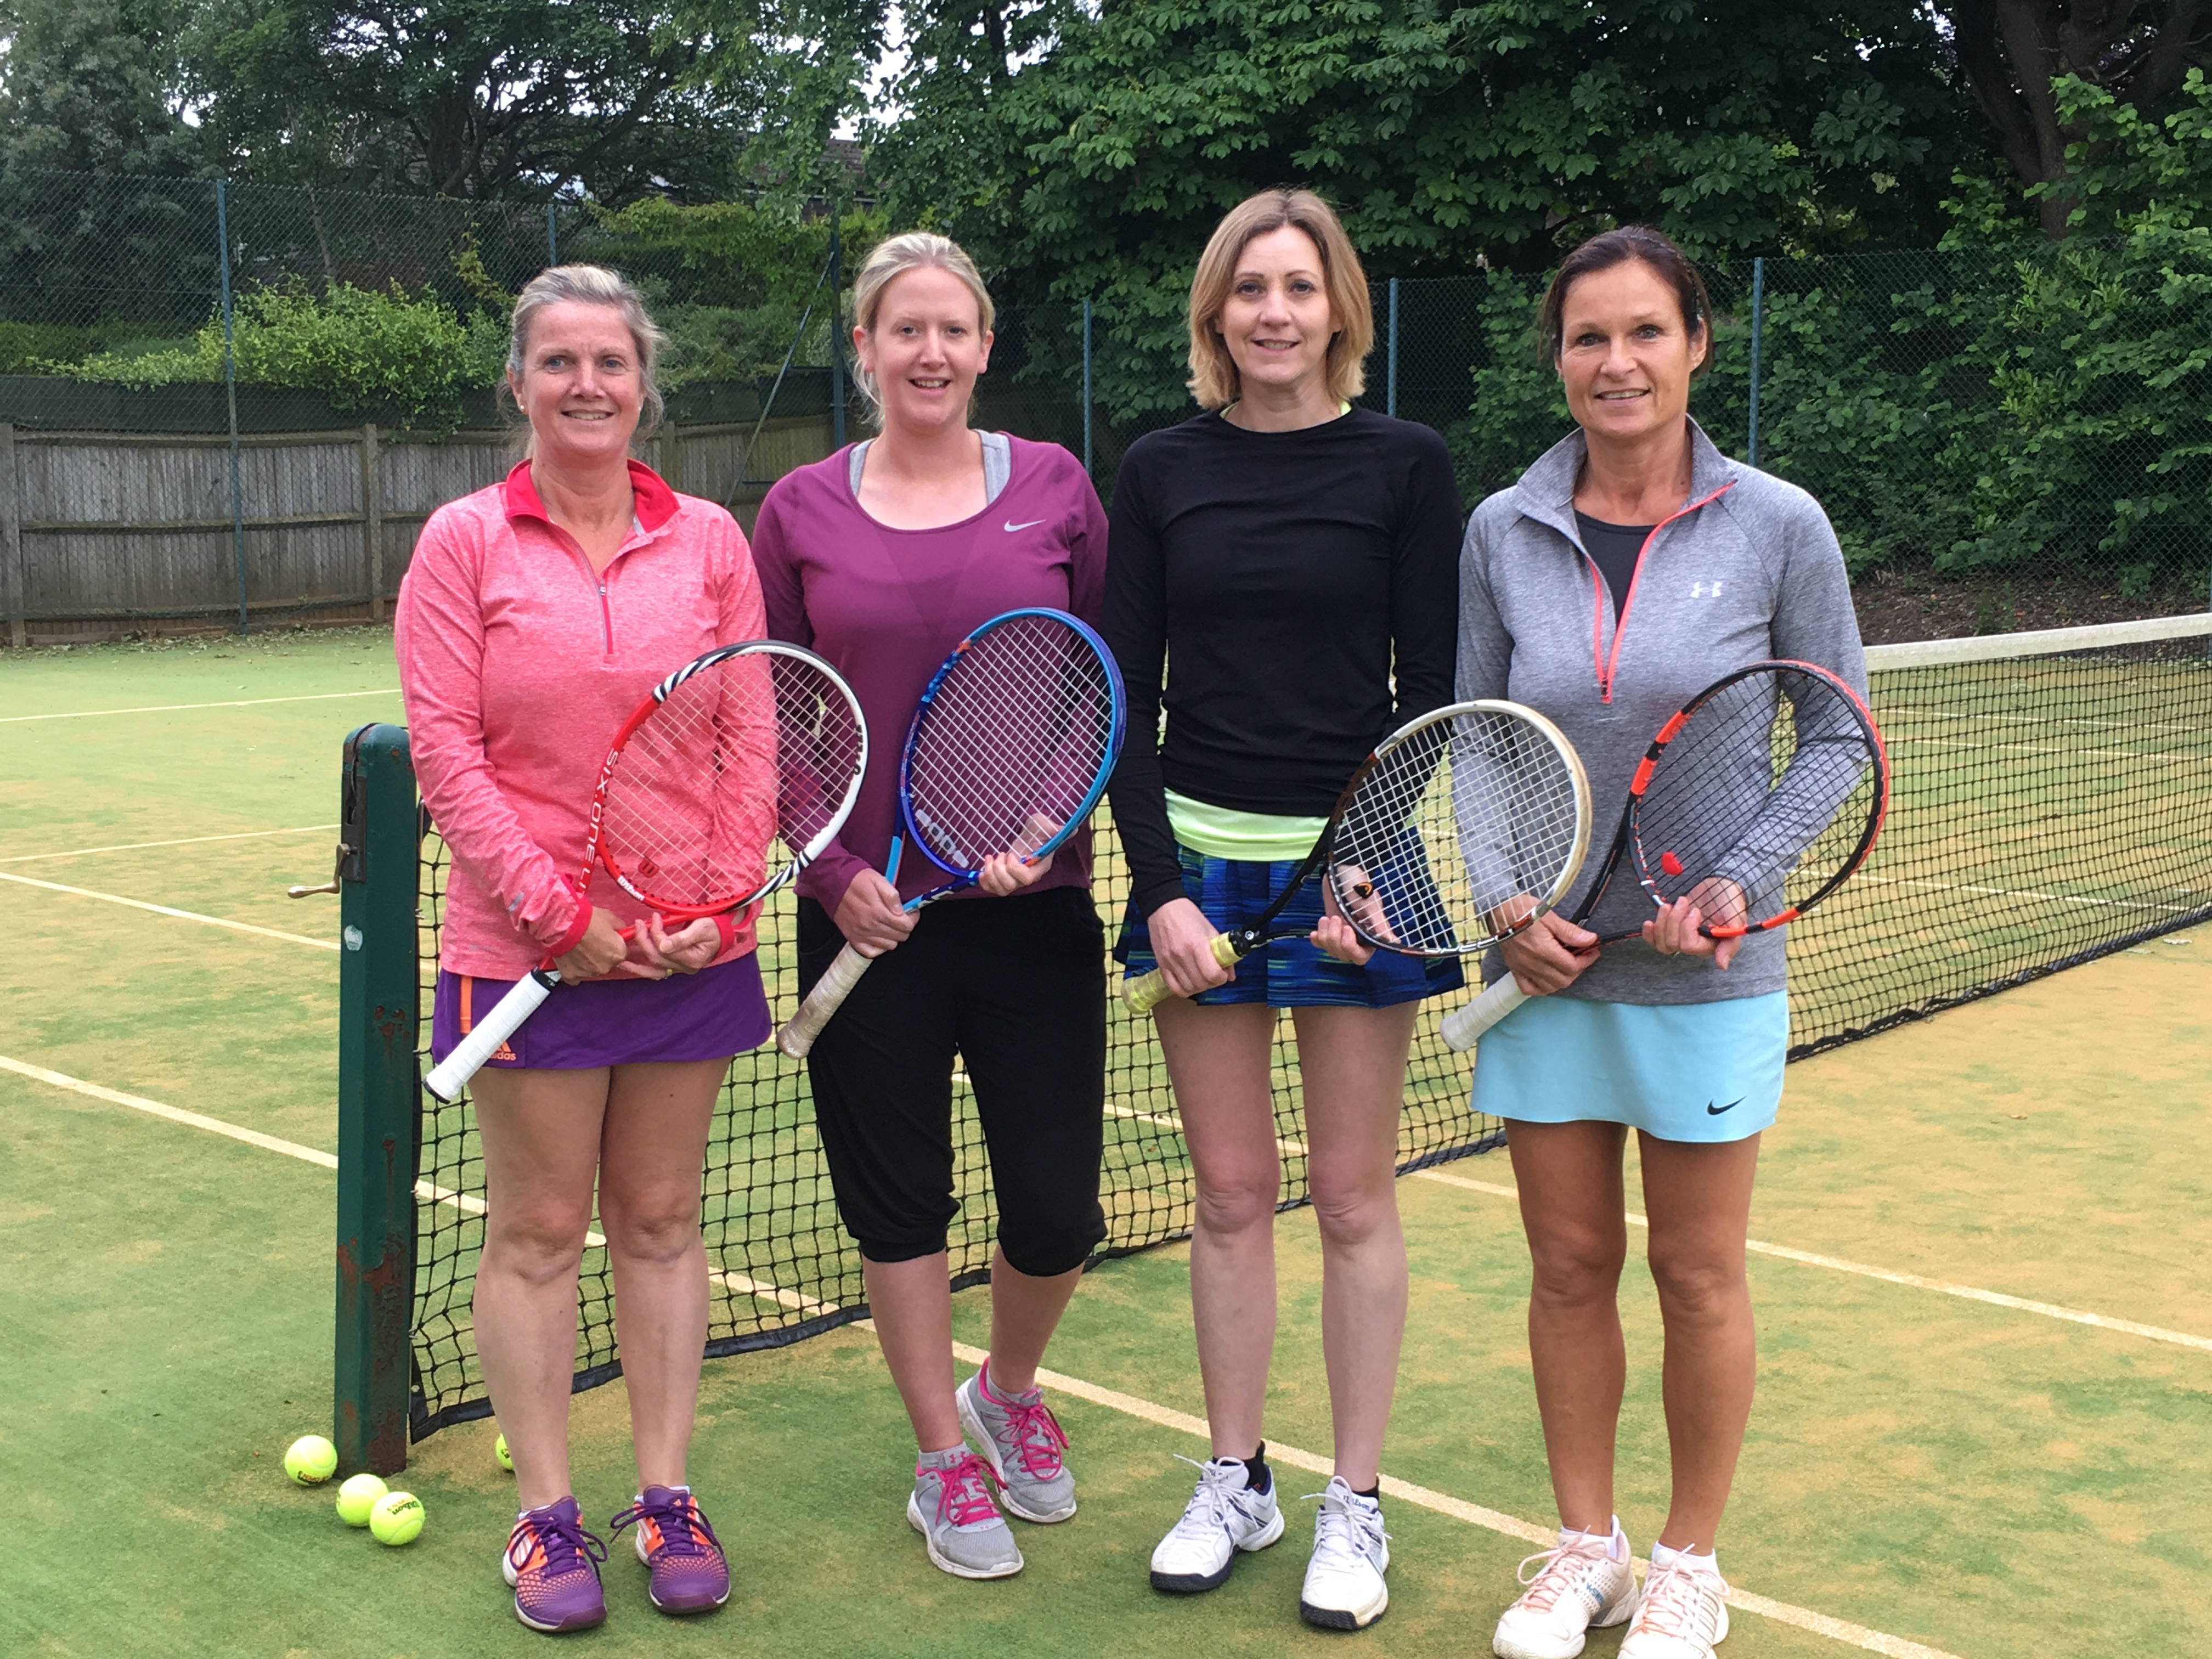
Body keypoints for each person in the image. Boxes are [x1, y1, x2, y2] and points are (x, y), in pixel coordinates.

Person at [1460, 227, 1867, 1659]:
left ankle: (1692, 1563)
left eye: (1646, 332)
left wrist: (1746, 876)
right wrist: (1507, 907)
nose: (1617, 362)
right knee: (1568, 1266)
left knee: (1697, 1275)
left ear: (1697, 342)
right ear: (1558, 358)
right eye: (1589, 337)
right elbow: (1477, 736)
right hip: (1544, 976)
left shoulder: (1780, 526)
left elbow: (1838, 734)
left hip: (1707, 978)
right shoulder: (1502, 531)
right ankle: (1591, 1550)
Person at [1104, 188, 1464, 1631]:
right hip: (1199, 872)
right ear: (1217, 312)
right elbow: (1122, 697)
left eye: (1299, 288)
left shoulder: (1407, 464)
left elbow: (1433, 686)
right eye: (1248, 288)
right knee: (1232, 1194)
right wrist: (1158, 893)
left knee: (1356, 1198)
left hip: (1356, 877)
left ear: (1339, 311)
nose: (1272, 312)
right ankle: (1235, 1479)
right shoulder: (1158, 470)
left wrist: (1357, 864)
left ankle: (1353, 1505)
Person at [396, 264, 763, 1634]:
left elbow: (749, 732)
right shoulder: (462, 543)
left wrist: (717, 902)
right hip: (525, 951)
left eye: (611, 361)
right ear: (520, 383)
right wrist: (564, 919)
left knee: (663, 1221)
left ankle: (665, 1495)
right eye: (559, 362)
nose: (588, 384)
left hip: (686, 948)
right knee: (542, 1228)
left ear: (644, 381)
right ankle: (545, 1517)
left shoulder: (711, 541)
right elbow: (446, 751)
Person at [750, 232, 1111, 1582]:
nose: (931, 351)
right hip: (866, 920)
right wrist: (830, 872)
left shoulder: (1059, 488)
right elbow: (771, 713)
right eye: (905, 329)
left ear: (986, 345)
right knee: (899, 1207)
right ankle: (940, 1456)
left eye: (954, 328)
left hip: (1035, 910)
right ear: (865, 348)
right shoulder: (797, 511)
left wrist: (1041, 827)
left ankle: (1005, 1393)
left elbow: (1095, 683)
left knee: (1058, 1213)